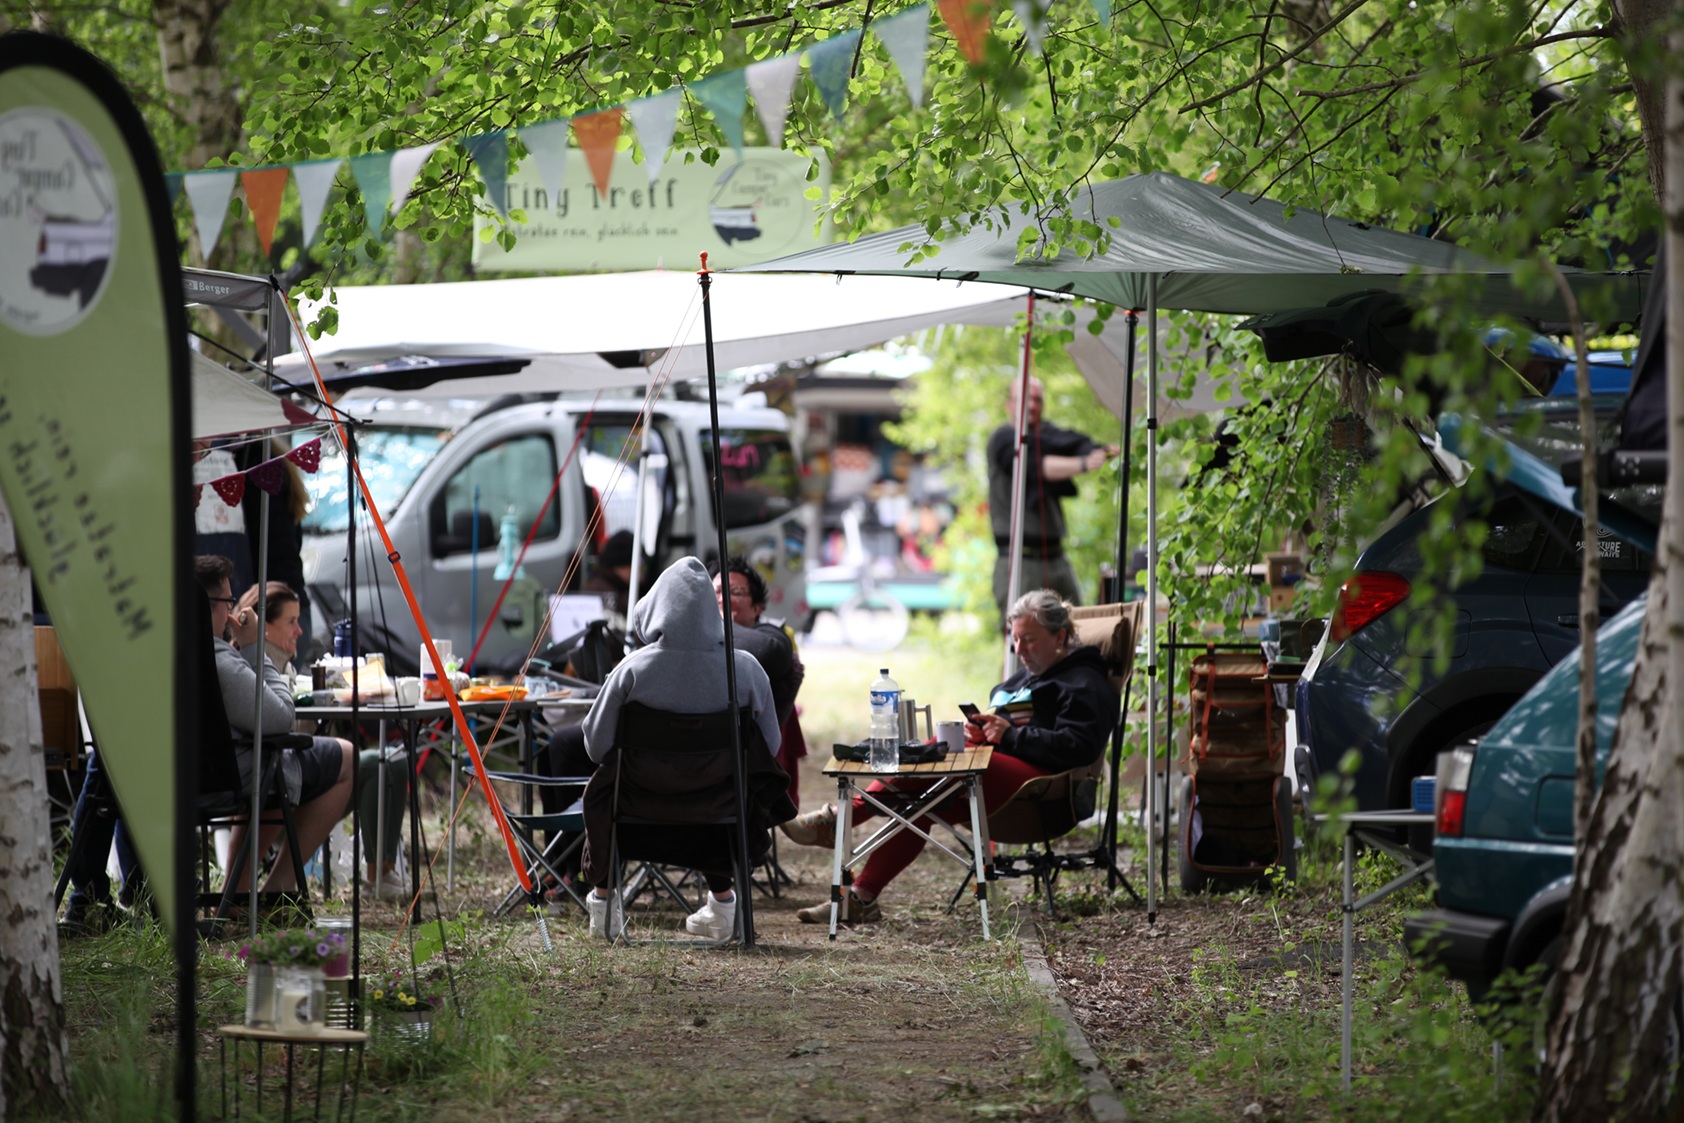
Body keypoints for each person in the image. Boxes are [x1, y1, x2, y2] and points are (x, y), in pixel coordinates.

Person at [785, 589, 1119, 925]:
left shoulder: (1084, 681)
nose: (1020, 650)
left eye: (1029, 639)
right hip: (998, 768)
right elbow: (1010, 725)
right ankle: (861, 897)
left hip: (1044, 786)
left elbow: (1080, 746)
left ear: (1060, 636)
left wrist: (1009, 736)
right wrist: (984, 729)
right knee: (919, 797)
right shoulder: (1028, 676)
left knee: (941, 757)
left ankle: (836, 821)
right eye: (1016, 640)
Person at [577, 557, 793, 940]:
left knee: (603, 788)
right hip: (718, 811)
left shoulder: (631, 671)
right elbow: (770, 745)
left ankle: (604, 904)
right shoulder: (744, 669)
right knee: (727, 786)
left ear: (657, 606)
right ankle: (723, 906)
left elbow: (595, 746)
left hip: (636, 807)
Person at [199, 555, 353, 895]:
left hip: (184, 778)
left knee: (269, 760)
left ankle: (236, 893)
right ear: (212, 605)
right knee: (344, 756)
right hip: (231, 776)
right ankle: (278, 886)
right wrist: (255, 647)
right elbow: (282, 718)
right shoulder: (220, 661)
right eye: (227, 601)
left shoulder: (167, 653)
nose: (230, 609)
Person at [251, 580, 408, 900]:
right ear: (264, 627)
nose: (300, 631)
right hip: (278, 791)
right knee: (372, 761)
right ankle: (376, 876)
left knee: (389, 760)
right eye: (291, 622)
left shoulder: (282, 664)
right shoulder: (258, 668)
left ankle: (381, 874)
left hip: (300, 780)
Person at [987, 377, 1116, 626]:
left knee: (1075, 630)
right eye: (1025, 399)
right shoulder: (1003, 439)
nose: (1032, 405)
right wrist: (1083, 463)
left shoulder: (1047, 435)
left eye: (1037, 399)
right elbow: (1034, 466)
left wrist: (1098, 450)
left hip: (1056, 558)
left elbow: (1073, 442)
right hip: (1020, 560)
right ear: (1009, 404)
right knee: (1022, 637)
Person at [711, 557, 807, 806]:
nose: (722, 599)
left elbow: (769, 651)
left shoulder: (771, 639)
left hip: (749, 760)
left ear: (757, 608)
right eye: (716, 592)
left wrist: (715, 622)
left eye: (735, 592)